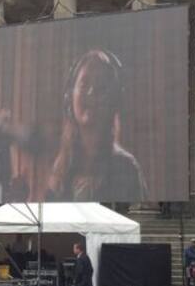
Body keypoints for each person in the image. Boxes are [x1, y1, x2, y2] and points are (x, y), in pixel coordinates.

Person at [44, 49, 146, 202]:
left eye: (101, 87)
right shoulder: (57, 167)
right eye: (84, 84)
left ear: (114, 100)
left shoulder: (126, 169)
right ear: (69, 97)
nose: (91, 92)